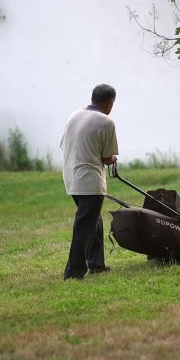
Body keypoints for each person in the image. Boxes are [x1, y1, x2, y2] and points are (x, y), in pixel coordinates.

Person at [60, 84, 119, 280]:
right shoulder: (106, 122)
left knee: (94, 221)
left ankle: (97, 263)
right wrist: (112, 160)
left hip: (71, 177)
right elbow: (105, 158)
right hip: (90, 182)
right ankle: (73, 272)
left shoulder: (74, 115)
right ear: (110, 102)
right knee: (85, 226)